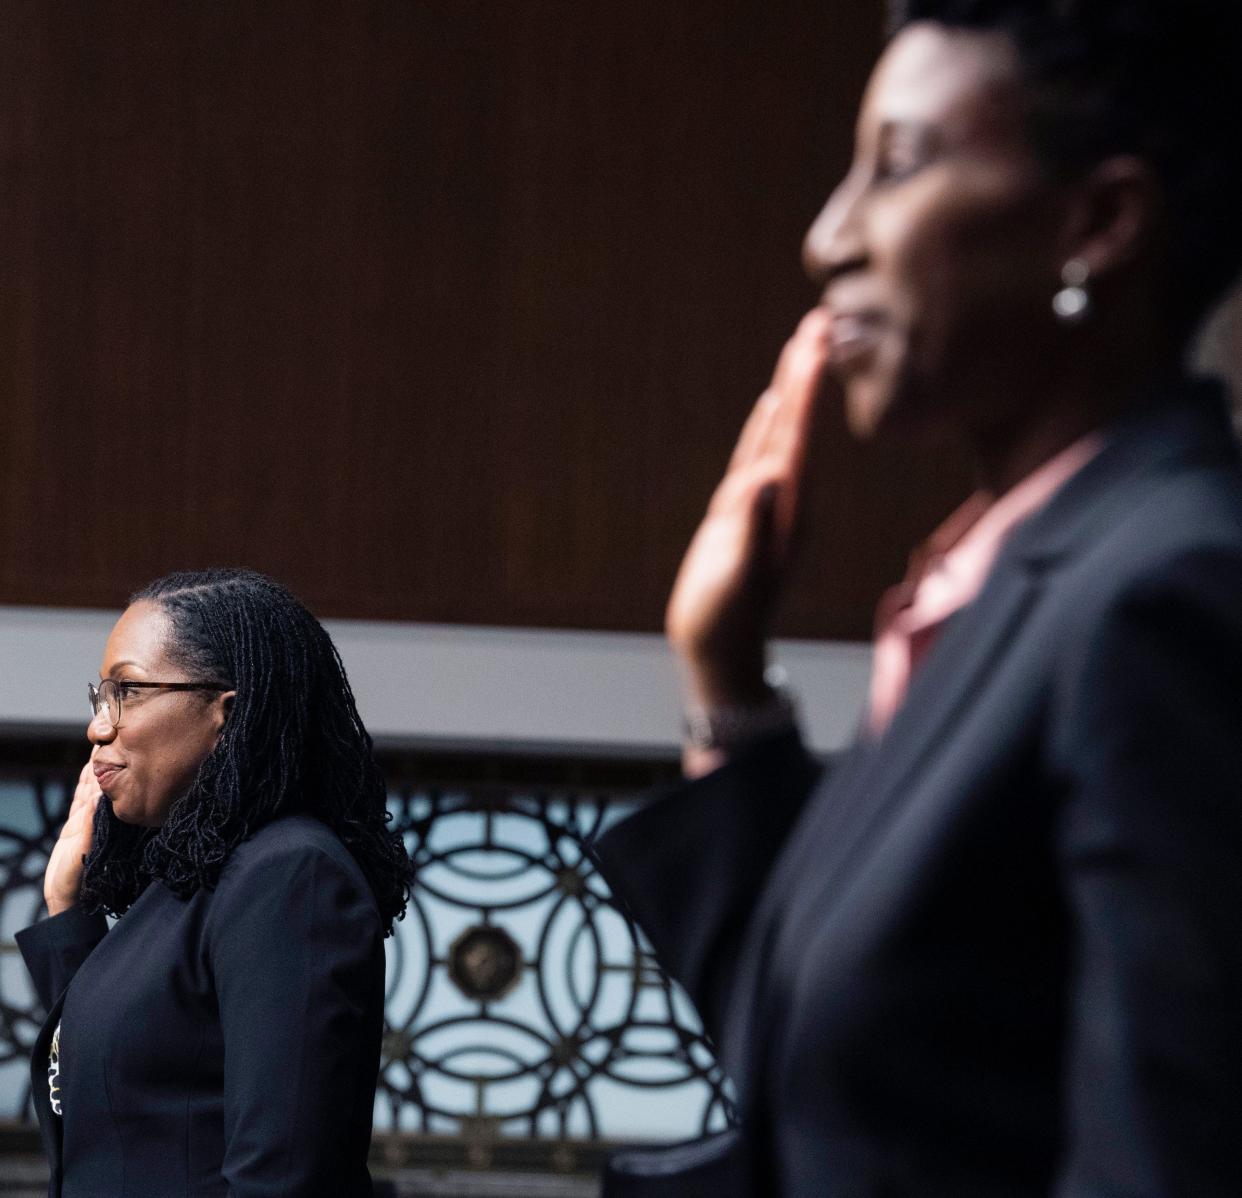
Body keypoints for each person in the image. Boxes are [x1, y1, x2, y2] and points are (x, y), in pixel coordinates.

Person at [595, 1, 1242, 1194]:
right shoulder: (1001, 594)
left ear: (1096, 222)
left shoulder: (1171, 593)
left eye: (895, 166)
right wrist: (725, 680)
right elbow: (838, 1080)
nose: (828, 235)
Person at [17, 569, 413, 1197]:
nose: (98, 726)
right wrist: (67, 905)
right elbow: (112, 1111)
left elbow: (282, 1181)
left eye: (128, 692)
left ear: (225, 713)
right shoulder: (192, 881)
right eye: (100, 697)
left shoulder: (289, 875)